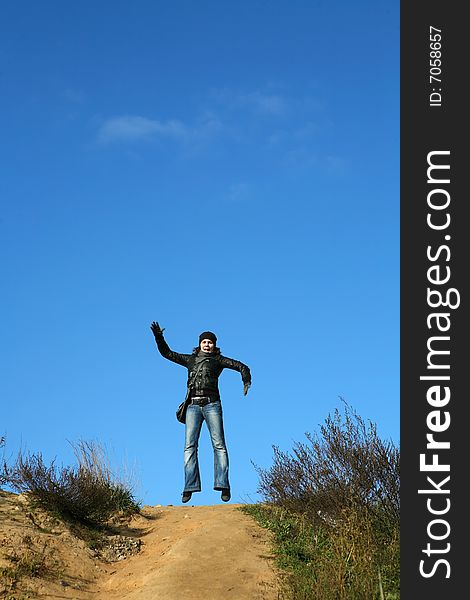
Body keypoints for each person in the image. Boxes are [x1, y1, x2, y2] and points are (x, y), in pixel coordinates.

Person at [150, 322, 251, 504]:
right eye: (204, 341)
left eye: (210, 342)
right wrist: (159, 337)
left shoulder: (219, 361)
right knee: (190, 446)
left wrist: (246, 381)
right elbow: (167, 353)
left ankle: (223, 485)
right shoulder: (190, 359)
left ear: (214, 345)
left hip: (213, 405)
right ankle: (189, 487)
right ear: (200, 344)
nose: (207, 344)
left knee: (219, 445)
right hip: (193, 406)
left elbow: (242, 366)